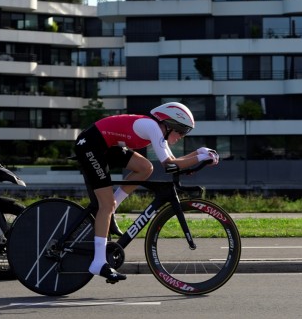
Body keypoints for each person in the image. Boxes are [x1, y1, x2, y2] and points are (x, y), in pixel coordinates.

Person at [74, 102, 219, 283]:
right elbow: (170, 165)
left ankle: (111, 210)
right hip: (90, 145)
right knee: (106, 204)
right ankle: (99, 262)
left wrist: (199, 152)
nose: (182, 136)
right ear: (169, 125)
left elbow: (172, 161)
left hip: (106, 145)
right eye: (181, 131)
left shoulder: (156, 130)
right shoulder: (152, 127)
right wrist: (200, 156)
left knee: (145, 168)